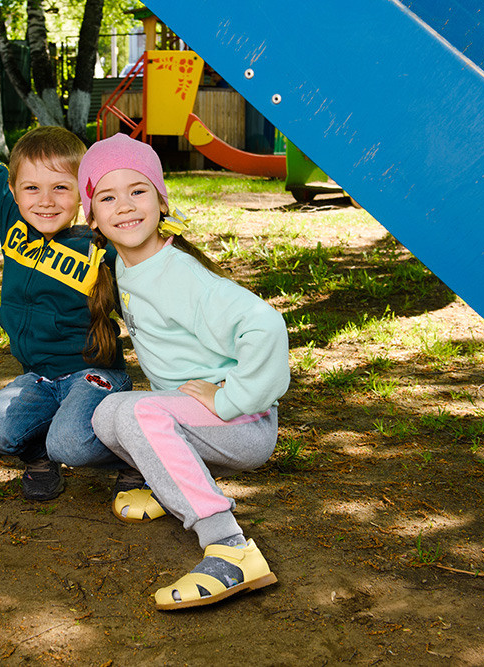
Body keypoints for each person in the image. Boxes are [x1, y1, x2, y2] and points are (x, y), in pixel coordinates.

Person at [79, 133, 290, 611]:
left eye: (138, 190)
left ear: (161, 199)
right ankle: (168, 483)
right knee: (107, 414)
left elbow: (264, 324)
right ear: (91, 216)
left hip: (243, 424)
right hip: (201, 419)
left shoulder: (179, 275)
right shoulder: (124, 263)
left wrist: (231, 399)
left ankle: (230, 548)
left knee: (133, 415)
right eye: (107, 197)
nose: (125, 206)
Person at [0, 35, 137, 502]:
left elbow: (161, 304)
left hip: (94, 377)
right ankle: (39, 451)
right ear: (15, 194)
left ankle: (132, 449)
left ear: (83, 195)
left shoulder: (104, 249)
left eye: (61, 188)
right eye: (32, 188)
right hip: (37, 378)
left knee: (74, 443)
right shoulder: (13, 228)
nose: (45, 201)